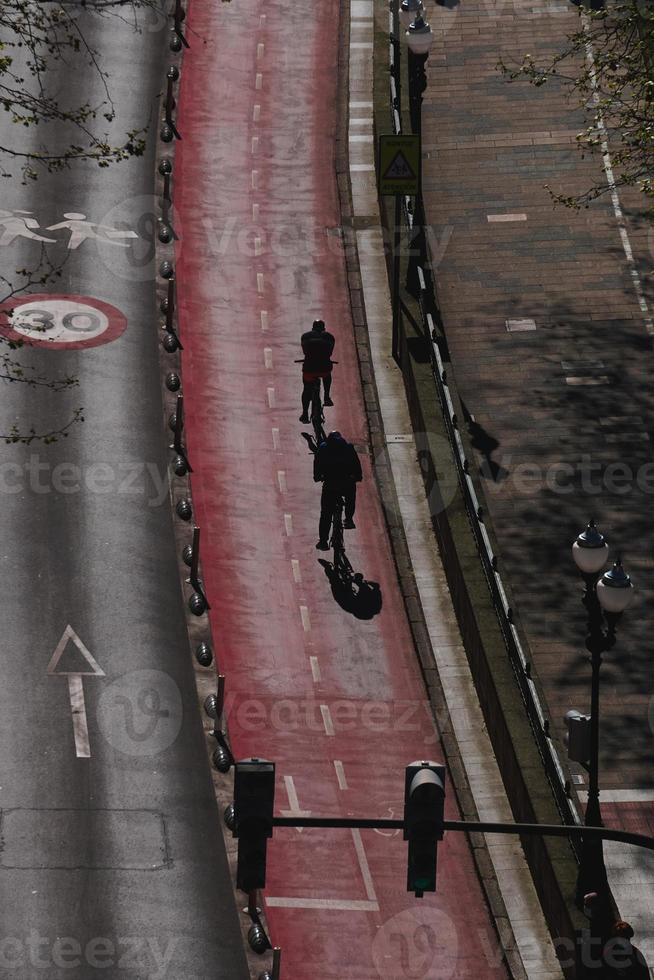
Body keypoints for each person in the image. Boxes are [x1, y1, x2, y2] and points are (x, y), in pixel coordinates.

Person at [313, 431, 362, 550]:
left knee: (325, 514)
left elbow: (317, 464)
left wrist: (317, 477)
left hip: (330, 485)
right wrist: (358, 477)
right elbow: (356, 464)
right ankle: (349, 519)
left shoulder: (323, 448)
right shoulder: (348, 448)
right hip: (346, 484)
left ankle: (323, 541)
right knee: (351, 495)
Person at [299, 319, 335, 423]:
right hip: (324, 369)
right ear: (324, 328)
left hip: (309, 369)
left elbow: (305, 351)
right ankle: (327, 397)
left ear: (313, 328)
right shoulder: (330, 337)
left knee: (306, 389)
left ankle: (305, 413)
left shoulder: (305, 337)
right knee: (327, 376)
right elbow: (330, 353)